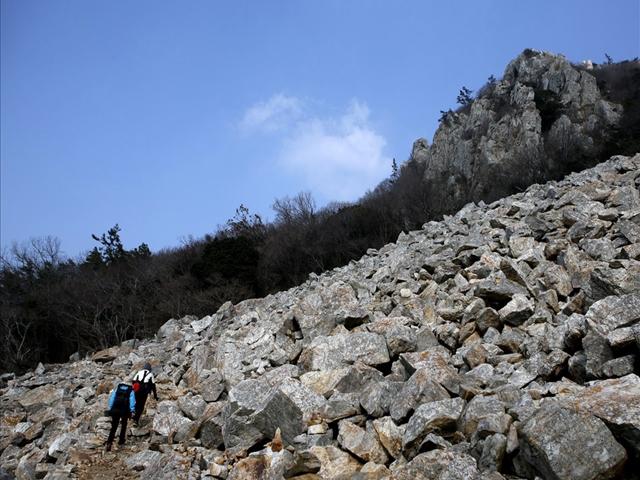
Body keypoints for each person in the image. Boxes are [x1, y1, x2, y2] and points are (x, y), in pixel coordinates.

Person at [106, 382, 136, 451]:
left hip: (115, 409)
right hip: (125, 411)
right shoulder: (131, 390)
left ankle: (109, 443)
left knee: (114, 427)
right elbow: (132, 402)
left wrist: (111, 408)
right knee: (124, 425)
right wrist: (132, 410)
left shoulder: (117, 388)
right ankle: (121, 440)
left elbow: (112, 398)